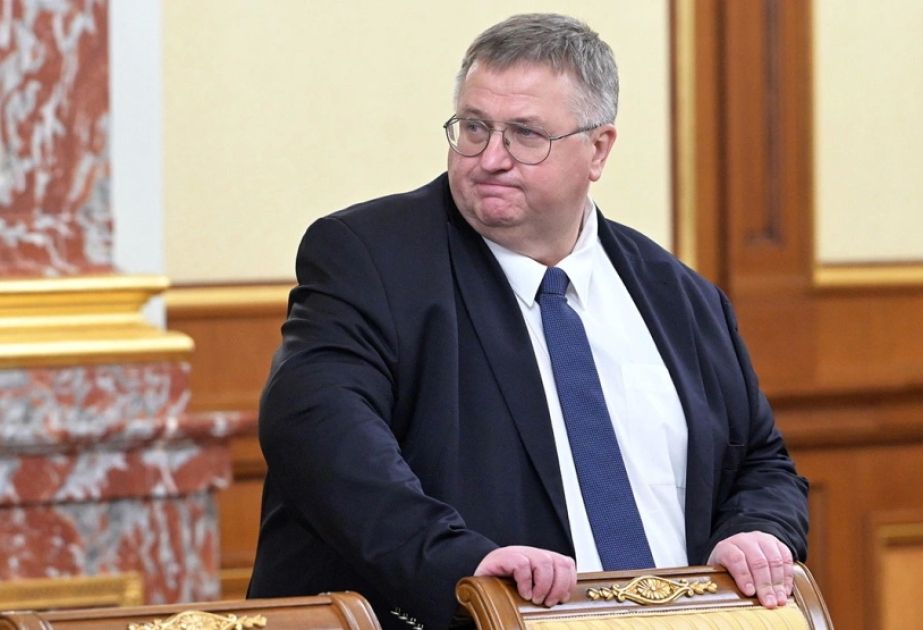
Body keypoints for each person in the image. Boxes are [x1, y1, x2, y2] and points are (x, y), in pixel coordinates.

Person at [247, 13, 808, 630]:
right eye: (474, 127)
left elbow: (760, 460)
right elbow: (317, 431)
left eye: (525, 134)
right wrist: (463, 565)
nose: (491, 158)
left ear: (598, 149)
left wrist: (757, 530)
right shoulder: (370, 258)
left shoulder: (679, 296)